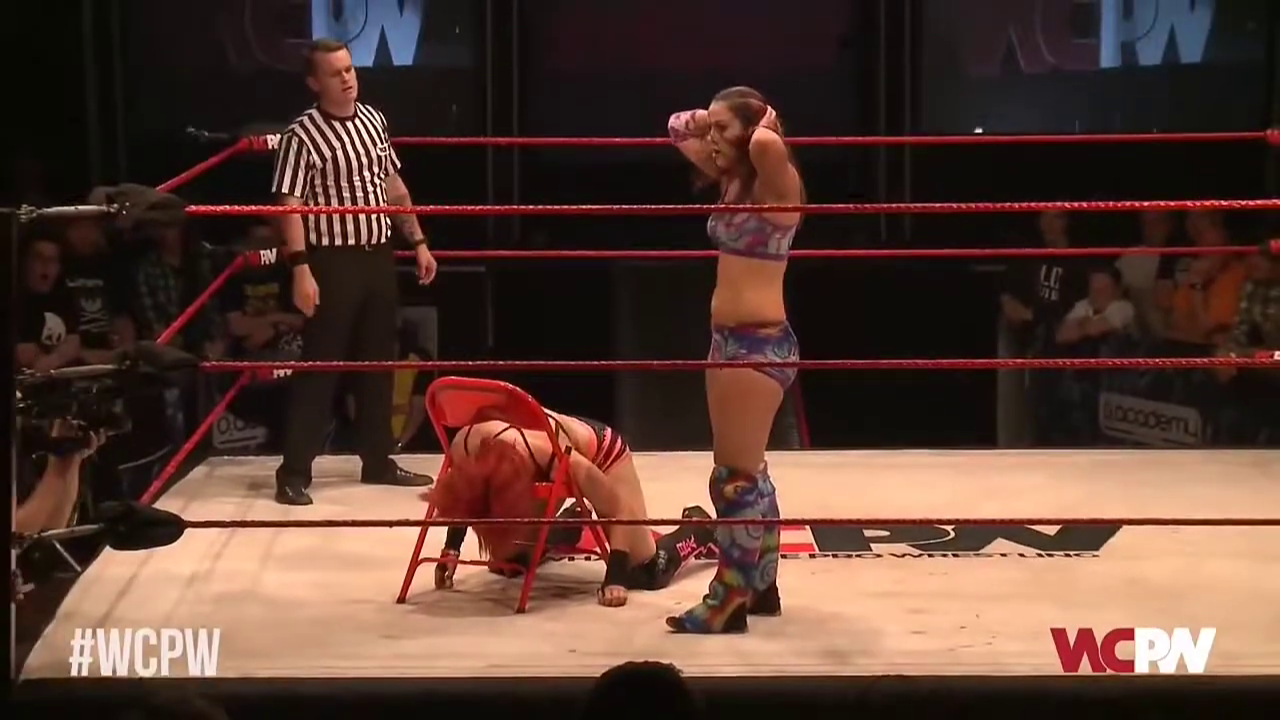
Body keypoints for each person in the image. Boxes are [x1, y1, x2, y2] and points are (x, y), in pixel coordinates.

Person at [270, 38, 439, 505]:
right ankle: (293, 472)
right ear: (314, 82)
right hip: (332, 261)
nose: (347, 78)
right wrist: (300, 268)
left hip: (377, 254)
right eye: (335, 73)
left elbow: (393, 184)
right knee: (321, 366)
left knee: (378, 362)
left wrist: (418, 241)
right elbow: (290, 204)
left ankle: (378, 459)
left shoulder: (373, 120)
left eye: (349, 69)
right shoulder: (302, 134)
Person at [663, 86, 803, 633]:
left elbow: (766, 145)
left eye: (725, 130)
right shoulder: (735, 179)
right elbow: (677, 128)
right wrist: (713, 117)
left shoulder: (778, 183)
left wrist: (762, 123)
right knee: (749, 472)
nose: (712, 139)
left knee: (733, 481)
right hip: (728, 342)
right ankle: (761, 586)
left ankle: (728, 600)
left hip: (757, 344)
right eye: (713, 129)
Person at [428, 406, 715, 607]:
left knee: (645, 571)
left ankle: (699, 528)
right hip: (544, 455)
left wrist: (615, 577)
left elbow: (619, 508)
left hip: (601, 454)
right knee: (511, 562)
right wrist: (451, 548)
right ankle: (569, 526)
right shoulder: (465, 444)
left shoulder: (554, 456)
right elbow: (469, 494)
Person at [17, 233, 81, 373]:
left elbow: (73, 341)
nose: (46, 265)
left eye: (53, 260)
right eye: (39, 258)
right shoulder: (12, 297)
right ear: (25, 262)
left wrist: (53, 360)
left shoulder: (62, 295)